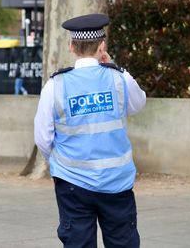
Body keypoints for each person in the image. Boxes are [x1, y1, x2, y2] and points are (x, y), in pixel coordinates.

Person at [34, 13, 146, 248]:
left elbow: (43, 138)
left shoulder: (55, 85)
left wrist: (58, 167)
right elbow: (138, 104)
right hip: (117, 183)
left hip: (72, 183)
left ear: (71, 46)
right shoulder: (119, 79)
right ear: (102, 45)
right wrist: (113, 65)